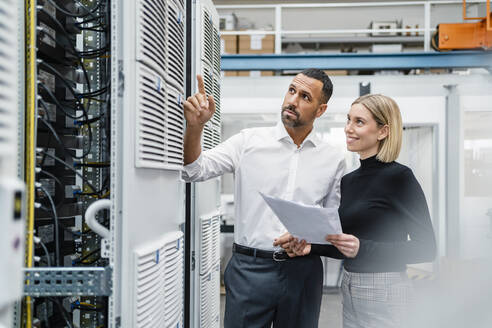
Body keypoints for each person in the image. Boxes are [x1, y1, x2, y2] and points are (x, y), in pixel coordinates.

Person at [182, 69, 345, 328]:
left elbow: (332, 222)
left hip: (303, 271)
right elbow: (194, 171)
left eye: (305, 96)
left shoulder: (333, 159)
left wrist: (309, 239)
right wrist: (194, 127)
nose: (293, 100)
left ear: (320, 110)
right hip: (250, 270)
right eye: (291, 90)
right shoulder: (248, 142)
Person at [274, 94, 437, 328]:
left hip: (386, 289)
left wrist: (363, 248)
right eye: (349, 120)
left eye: (359, 122)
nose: (348, 129)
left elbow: (426, 248)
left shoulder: (400, 178)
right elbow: (346, 246)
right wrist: (310, 247)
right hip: (351, 287)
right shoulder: (349, 181)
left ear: (383, 131)